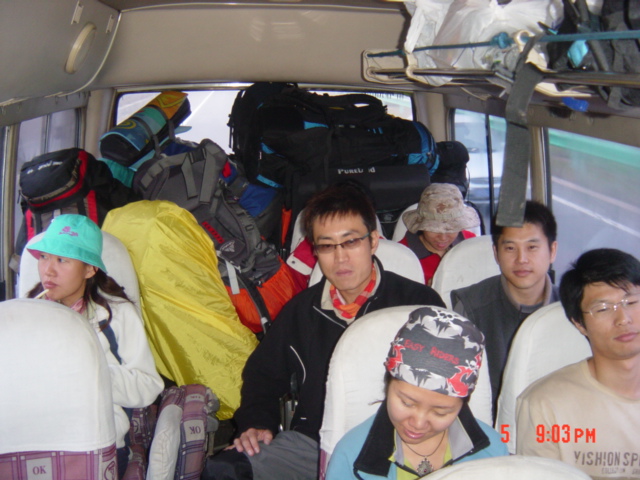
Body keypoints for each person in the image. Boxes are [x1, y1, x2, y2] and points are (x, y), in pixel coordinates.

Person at [202, 183, 445, 480]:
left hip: (403, 445)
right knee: (225, 469)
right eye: (327, 246)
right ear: (315, 251)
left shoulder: (419, 305)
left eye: (350, 242)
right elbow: (262, 375)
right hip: (313, 445)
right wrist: (257, 423)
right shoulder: (300, 311)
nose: (340, 258)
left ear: (373, 241)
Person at [26, 214, 164, 478]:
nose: (48, 270)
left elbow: (148, 386)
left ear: (89, 270)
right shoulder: (28, 310)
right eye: (44, 257)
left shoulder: (117, 314)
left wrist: (88, 373)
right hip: (36, 438)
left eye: (62, 260)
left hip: (96, 441)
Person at [326, 306, 508, 479]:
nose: (418, 423)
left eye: (440, 412)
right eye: (407, 403)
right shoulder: (352, 456)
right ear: (388, 385)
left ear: (462, 404)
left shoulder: (492, 452)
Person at [516, 249, 640, 479]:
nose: (623, 319)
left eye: (631, 302)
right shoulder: (545, 404)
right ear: (579, 324)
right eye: (603, 309)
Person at [450, 200, 559, 418]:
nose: (521, 259)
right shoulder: (470, 307)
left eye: (532, 247)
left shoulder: (573, 309)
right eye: (510, 248)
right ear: (496, 253)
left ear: (552, 251)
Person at [399, 183, 480, 286]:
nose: (443, 238)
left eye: (451, 229)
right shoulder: (401, 254)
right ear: (421, 225)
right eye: (434, 229)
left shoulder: (472, 244)